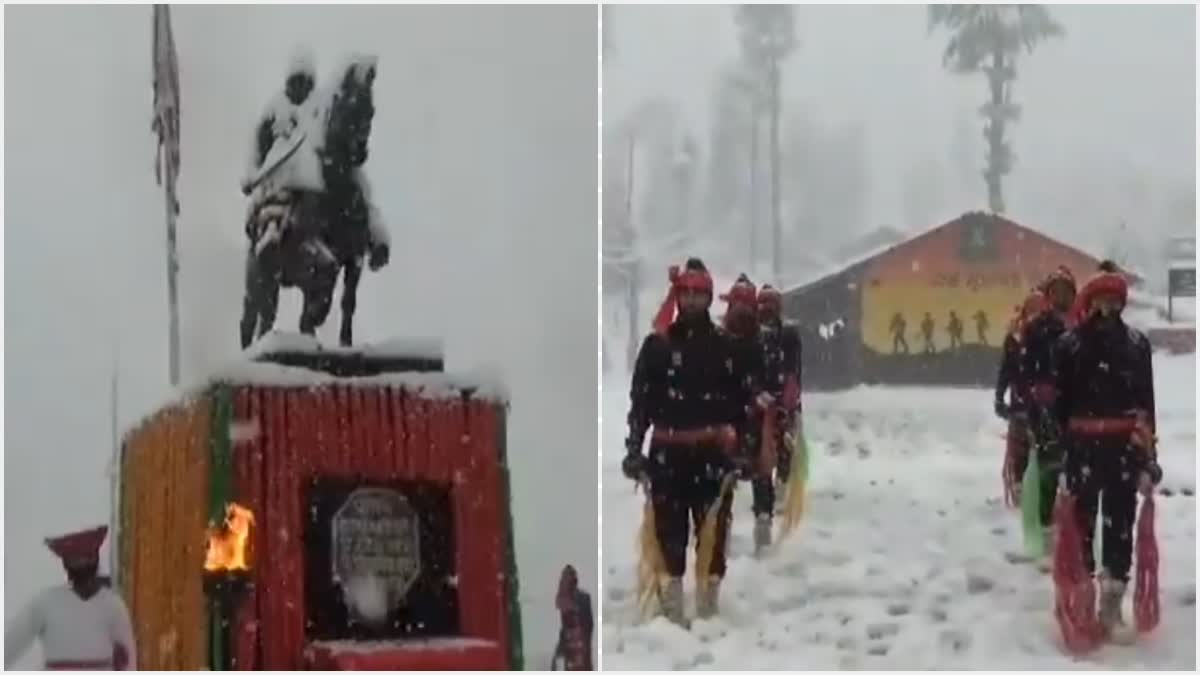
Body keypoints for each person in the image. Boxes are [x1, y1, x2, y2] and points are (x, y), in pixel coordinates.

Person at [622, 258, 756, 626]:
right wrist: (634, 448)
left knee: (714, 536)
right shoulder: (656, 347)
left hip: (713, 455)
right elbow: (641, 405)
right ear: (678, 296)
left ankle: (710, 609)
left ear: (711, 298)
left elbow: (742, 407)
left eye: (700, 294)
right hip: (667, 455)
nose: (694, 301)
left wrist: (744, 450)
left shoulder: (728, 349)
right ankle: (672, 611)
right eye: (688, 293)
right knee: (669, 536)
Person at [1051, 270, 1160, 644]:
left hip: (1124, 451)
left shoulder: (1137, 344)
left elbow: (1146, 406)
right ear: (1090, 302)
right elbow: (1058, 409)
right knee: (1080, 525)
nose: (1107, 307)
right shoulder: (1069, 346)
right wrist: (1059, 455)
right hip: (1082, 448)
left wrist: (1149, 456)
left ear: (1122, 304)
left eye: (1114, 300)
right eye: (1101, 300)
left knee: (1120, 526)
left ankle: (1111, 605)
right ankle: (1081, 601)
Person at [5, 526, 137, 670]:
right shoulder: (46, 603)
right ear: (66, 566)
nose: (82, 564)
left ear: (96, 561)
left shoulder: (113, 605)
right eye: (75, 560)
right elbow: (9, 645)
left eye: (87, 558)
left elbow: (128, 660)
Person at [1019, 266, 1077, 570]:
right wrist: (1033, 406)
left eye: (1068, 291)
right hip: (1044, 408)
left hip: (1079, 410)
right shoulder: (1036, 329)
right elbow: (1025, 372)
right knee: (1049, 468)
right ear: (1049, 294)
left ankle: (1075, 531)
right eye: (1057, 291)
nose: (1062, 296)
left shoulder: (1082, 327)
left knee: (1078, 473)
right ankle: (1044, 527)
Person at [754, 284, 802, 548]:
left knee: (785, 448)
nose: (767, 309)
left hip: (784, 402)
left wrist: (789, 402)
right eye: (763, 304)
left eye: (771, 304)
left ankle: (781, 484)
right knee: (761, 456)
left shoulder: (788, 336)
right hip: (760, 406)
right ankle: (764, 508)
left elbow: (794, 371)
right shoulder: (753, 336)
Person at [995, 290, 1046, 506]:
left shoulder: (1051, 335)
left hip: (1045, 404)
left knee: (1044, 449)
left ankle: (1041, 492)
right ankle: (1019, 488)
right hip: (1020, 403)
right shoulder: (1014, 337)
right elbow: (1006, 370)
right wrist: (999, 396)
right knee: (1019, 448)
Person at [550, 565, 593, 670]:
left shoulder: (581, 598)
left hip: (576, 643)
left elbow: (588, 625)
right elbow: (589, 625)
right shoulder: (581, 597)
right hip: (575, 642)